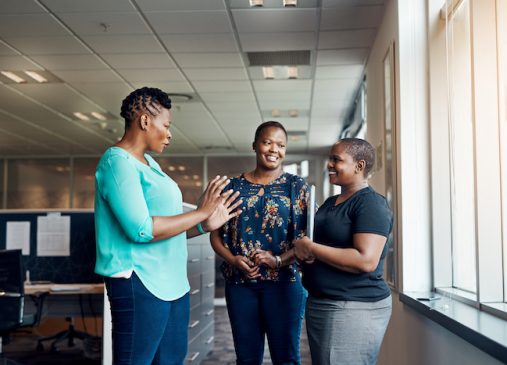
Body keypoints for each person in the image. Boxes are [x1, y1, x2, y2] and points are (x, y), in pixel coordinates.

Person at [94, 86, 242, 365]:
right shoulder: (117, 162)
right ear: (145, 121)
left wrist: (204, 224)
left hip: (173, 282)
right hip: (138, 281)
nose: (170, 133)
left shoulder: (150, 164)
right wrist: (200, 212)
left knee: (171, 360)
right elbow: (141, 229)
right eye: (166, 124)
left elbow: (168, 229)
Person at [210, 121, 309, 365]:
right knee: (246, 358)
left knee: (286, 358)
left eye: (281, 145)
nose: (274, 149)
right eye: (267, 142)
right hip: (241, 284)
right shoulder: (233, 188)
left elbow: (307, 241)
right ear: (255, 145)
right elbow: (215, 234)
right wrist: (233, 259)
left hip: (285, 284)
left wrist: (278, 260)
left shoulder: (297, 187)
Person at [294, 138, 393, 365]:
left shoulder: (371, 204)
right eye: (330, 158)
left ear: (359, 166)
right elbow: (321, 247)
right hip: (322, 301)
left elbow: (365, 260)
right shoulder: (331, 202)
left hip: (353, 305)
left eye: (336, 159)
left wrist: (311, 248)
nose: (329, 164)